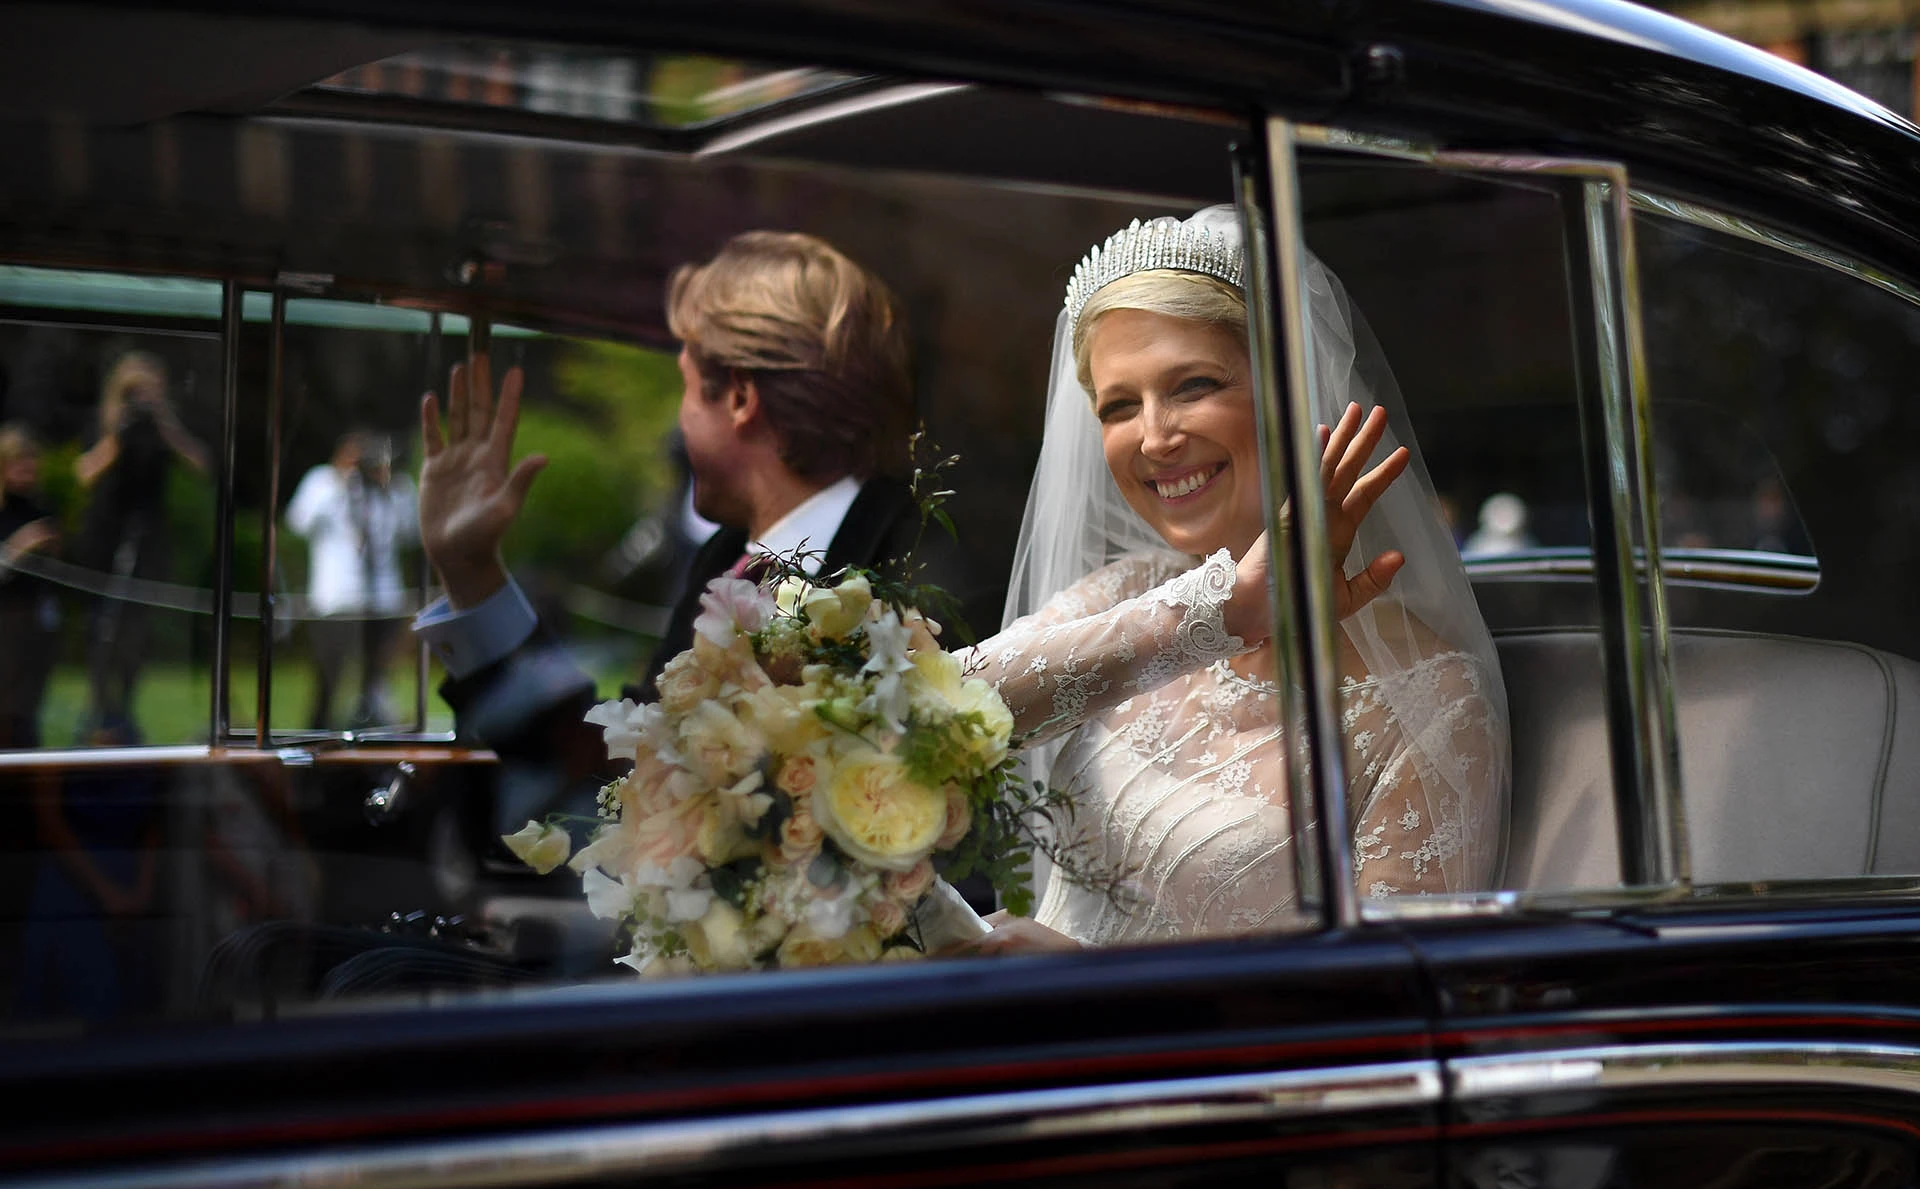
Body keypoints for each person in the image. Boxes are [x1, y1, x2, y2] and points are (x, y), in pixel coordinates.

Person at [959, 207, 1510, 950]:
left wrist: (1090, 987)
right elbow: (930, 714)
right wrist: (1221, 610)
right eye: (1120, 405)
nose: (1155, 436)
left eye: (1192, 385)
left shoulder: (1431, 702)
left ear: (1291, 392)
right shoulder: (1123, 595)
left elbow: (1380, 1016)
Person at [411, 232, 1001, 837]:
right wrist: (472, 573)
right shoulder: (724, 562)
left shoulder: (924, 579)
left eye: (686, 388)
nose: (679, 418)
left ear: (741, 398)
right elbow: (617, 777)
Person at [73, 351, 208, 740]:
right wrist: (118, 433)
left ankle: (125, 711)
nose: (142, 400)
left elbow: (200, 464)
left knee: (135, 634)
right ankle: (100, 711)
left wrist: (164, 422)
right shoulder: (105, 424)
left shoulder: (160, 430)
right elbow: (83, 473)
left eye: (149, 393)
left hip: (147, 542)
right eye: (135, 393)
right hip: (105, 540)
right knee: (102, 630)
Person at [286, 430, 420, 728]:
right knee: (329, 675)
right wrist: (341, 482)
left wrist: (389, 486)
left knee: (375, 680)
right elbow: (298, 521)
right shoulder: (322, 481)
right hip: (336, 599)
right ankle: (319, 733)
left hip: (384, 599)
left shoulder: (395, 489)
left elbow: (412, 532)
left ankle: (369, 729)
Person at [0, 426, 61, 747]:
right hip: (6, 619)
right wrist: (20, 546)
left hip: (36, 618)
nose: (27, 469)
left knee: (28, 703)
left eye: (31, 462)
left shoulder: (42, 510)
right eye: (18, 462)